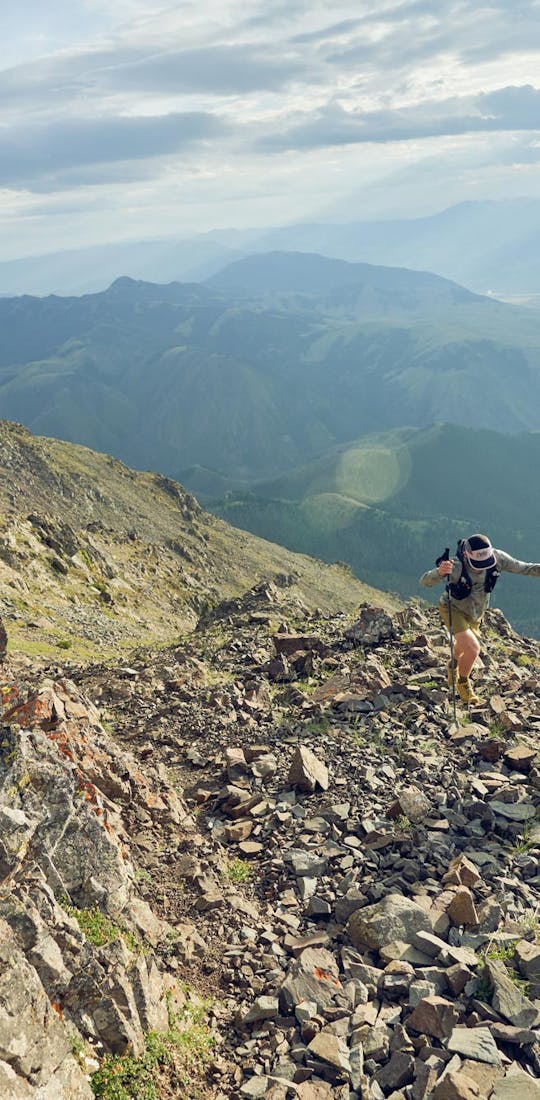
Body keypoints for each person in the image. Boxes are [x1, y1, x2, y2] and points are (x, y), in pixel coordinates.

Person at [420, 534, 540, 704]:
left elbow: (525, 568)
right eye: (478, 564)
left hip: (477, 612)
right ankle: (463, 683)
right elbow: (424, 581)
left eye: (486, 563)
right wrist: (440, 572)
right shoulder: (455, 565)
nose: (481, 568)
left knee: (464, 645)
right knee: (473, 648)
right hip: (452, 608)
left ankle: (452, 664)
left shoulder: (498, 558)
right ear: (467, 555)